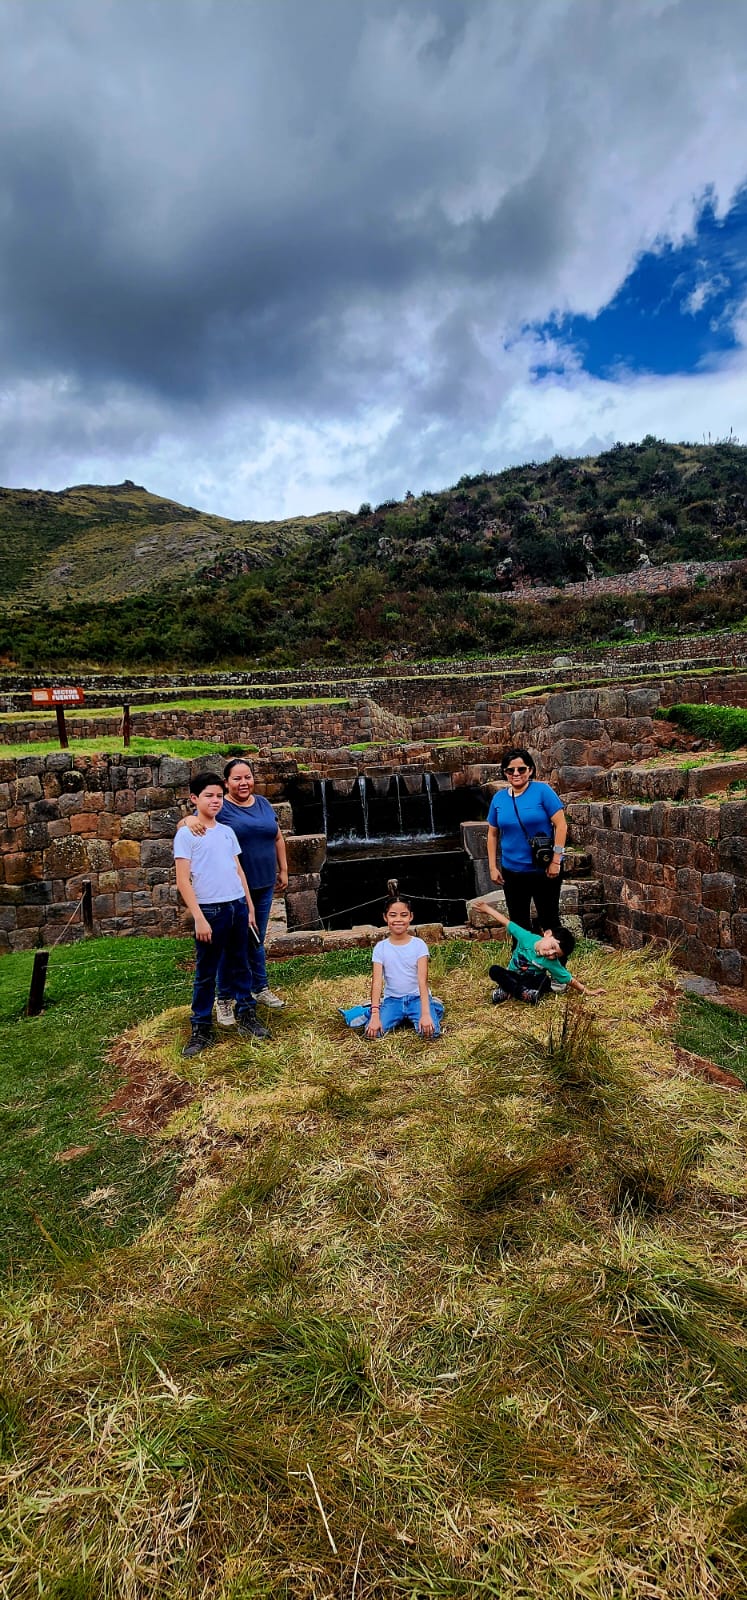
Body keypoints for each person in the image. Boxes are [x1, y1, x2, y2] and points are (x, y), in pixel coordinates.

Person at [179, 757, 288, 1021]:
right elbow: (193, 823)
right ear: (227, 782)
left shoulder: (262, 803)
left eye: (247, 777)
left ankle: (258, 988)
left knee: (255, 939)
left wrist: (283, 869)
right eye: (237, 778)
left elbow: (277, 835)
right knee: (229, 947)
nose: (243, 782)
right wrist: (185, 820)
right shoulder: (221, 805)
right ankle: (224, 997)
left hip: (262, 884)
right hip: (233, 889)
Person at [173, 772, 270, 1056]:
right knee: (206, 971)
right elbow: (182, 880)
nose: (215, 801)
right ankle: (201, 1026)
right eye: (208, 796)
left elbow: (238, 870)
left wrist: (249, 906)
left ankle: (246, 1014)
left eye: (218, 796)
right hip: (211, 909)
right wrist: (199, 917)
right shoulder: (187, 834)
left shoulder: (227, 832)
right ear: (194, 799)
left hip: (236, 905)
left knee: (241, 963)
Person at [486, 747, 567, 942]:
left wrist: (556, 859)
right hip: (513, 871)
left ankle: (556, 966)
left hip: (543, 868)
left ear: (530, 770)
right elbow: (492, 833)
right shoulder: (499, 799)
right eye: (510, 770)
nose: (516, 774)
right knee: (518, 923)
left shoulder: (542, 791)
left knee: (549, 921)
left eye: (521, 769)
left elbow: (561, 825)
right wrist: (492, 867)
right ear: (504, 772)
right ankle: (522, 966)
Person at [339, 894, 444, 1039]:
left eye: (404, 915)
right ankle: (372, 1009)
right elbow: (377, 982)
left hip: (417, 998)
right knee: (372, 1033)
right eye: (393, 915)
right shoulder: (381, 948)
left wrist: (425, 1014)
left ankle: (432, 1006)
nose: (398, 920)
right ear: (385, 917)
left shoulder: (419, 945)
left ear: (411, 917)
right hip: (393, 1000)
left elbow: (422, 981)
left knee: (431, 1033)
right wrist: (375, 1016)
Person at [474, 899, 603, 1004]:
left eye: (555, 954)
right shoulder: (526, 937)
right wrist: (488, 909)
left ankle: (507, 990)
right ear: (547, 934)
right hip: (513, 975)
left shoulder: (550, 961)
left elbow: (569, 979)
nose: (550, 953)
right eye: (552, 947)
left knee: (544, 981)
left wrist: (588, 991)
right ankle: (521, 993)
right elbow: (507, 923)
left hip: (530, 980)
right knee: (494, 970)